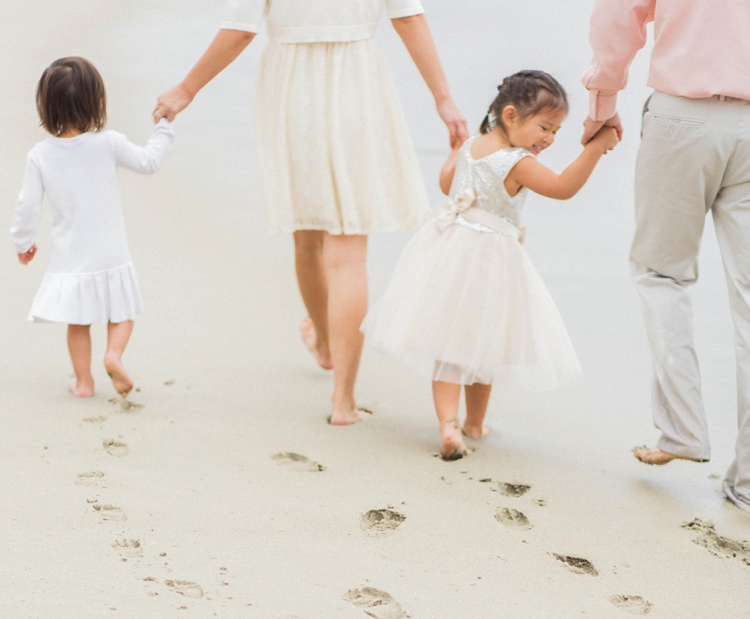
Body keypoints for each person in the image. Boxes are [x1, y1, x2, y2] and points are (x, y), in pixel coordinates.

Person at [153, 0, 468, 426]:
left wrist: (186, 89)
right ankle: (343, 401)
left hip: (291, 84)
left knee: (306, 236)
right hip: (358, 79)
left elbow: (242, 30)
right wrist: (443, 98)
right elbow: (408, 17)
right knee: (348, 251)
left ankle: (323, 341)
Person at [363, 71, 619, 459]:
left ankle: (450, 425)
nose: (548, 139)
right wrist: (595, 148)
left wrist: (454, 153)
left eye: (556, 132)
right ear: (512, 116)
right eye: (545, 127)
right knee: (483, 345)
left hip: (449, 252)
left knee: (448, 345)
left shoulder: (472, 146)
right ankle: (475, 424)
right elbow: (563, 188)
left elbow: (448, 184)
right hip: (490, 264)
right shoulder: (516, 161)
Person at [582, 0, 750, 514]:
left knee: (661, 275)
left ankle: (683, 430)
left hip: (682, 115)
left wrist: (602, 103)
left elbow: (617, 16)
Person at [10, 57, 175, 398]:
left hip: (72, 257)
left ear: (47, 105)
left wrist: (23, 242)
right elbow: (148, 161)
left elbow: (27, 207)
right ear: (98, 102)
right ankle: (113, 354)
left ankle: (84, 383)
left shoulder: (40, 155)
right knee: (123, 312)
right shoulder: (108, 143)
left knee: (78, 322)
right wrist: (163, 128)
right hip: (110, 251)